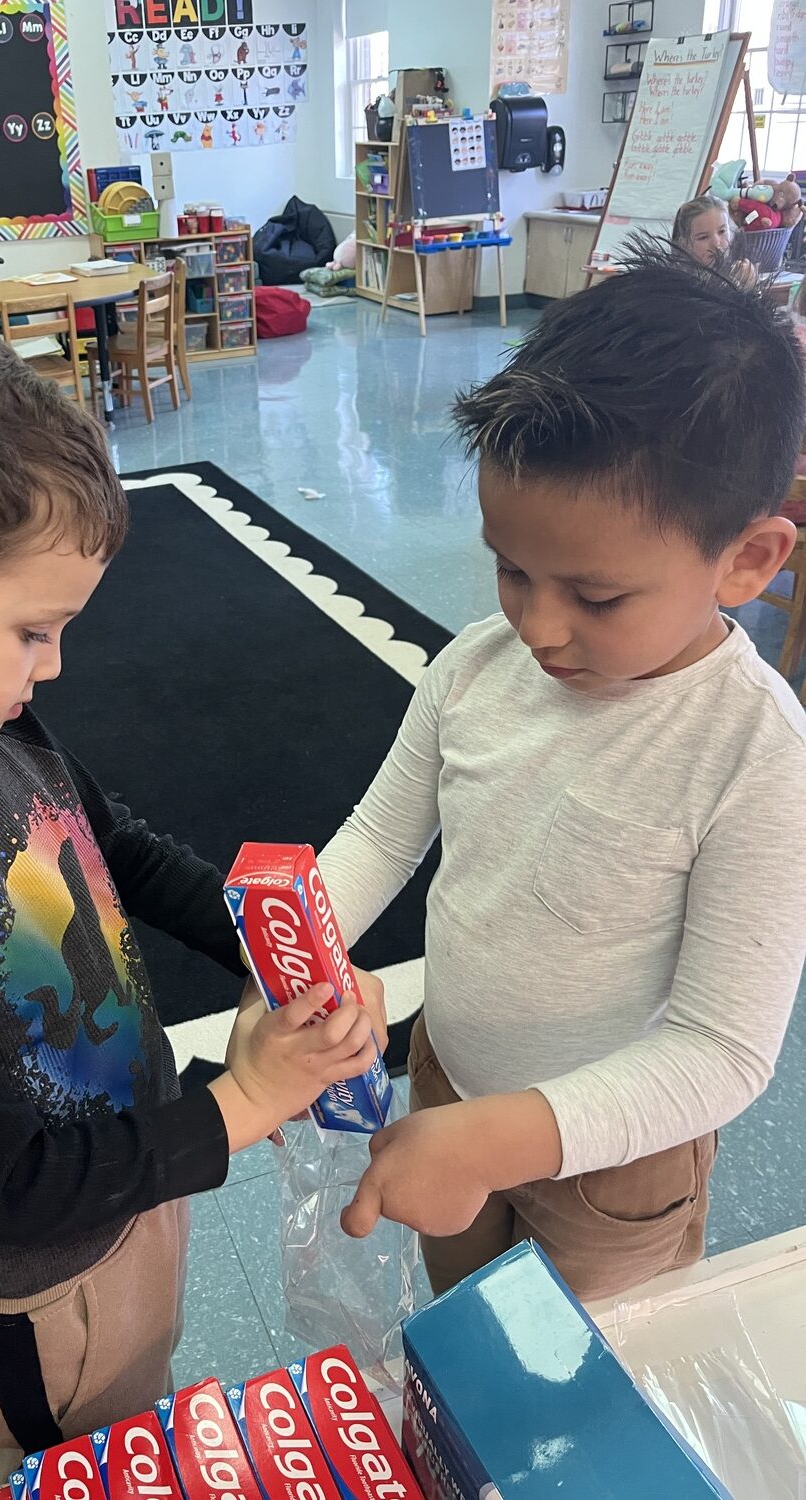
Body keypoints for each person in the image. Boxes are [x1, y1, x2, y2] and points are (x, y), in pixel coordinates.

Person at [0, 296, 382, 1484]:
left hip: (142, 1172)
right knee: (71, 1455)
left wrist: (265, 941)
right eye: (34, 630)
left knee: (134, 1406)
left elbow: (118, 852)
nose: (55, 664)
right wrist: (245, 1105)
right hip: (34, 1292)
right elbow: (7, 1187)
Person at [331, 239, 806, 1303]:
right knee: (462, 1331)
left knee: (580, 1394)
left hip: (616, 1161)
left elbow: (721, 1049)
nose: (537, 626)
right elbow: (378, 840)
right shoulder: (473, 671)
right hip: (450, 1080)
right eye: (509, 568)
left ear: (748, 560)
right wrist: (292, 946)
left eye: (595, 599)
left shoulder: (754, 754)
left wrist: (509, 1139)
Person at [671, 193, 758, 288]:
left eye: (722, 231)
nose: (717, 243)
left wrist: (750, 287)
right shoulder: (678, 284)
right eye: (703, 237)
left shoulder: (736, 272)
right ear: (684, 244)